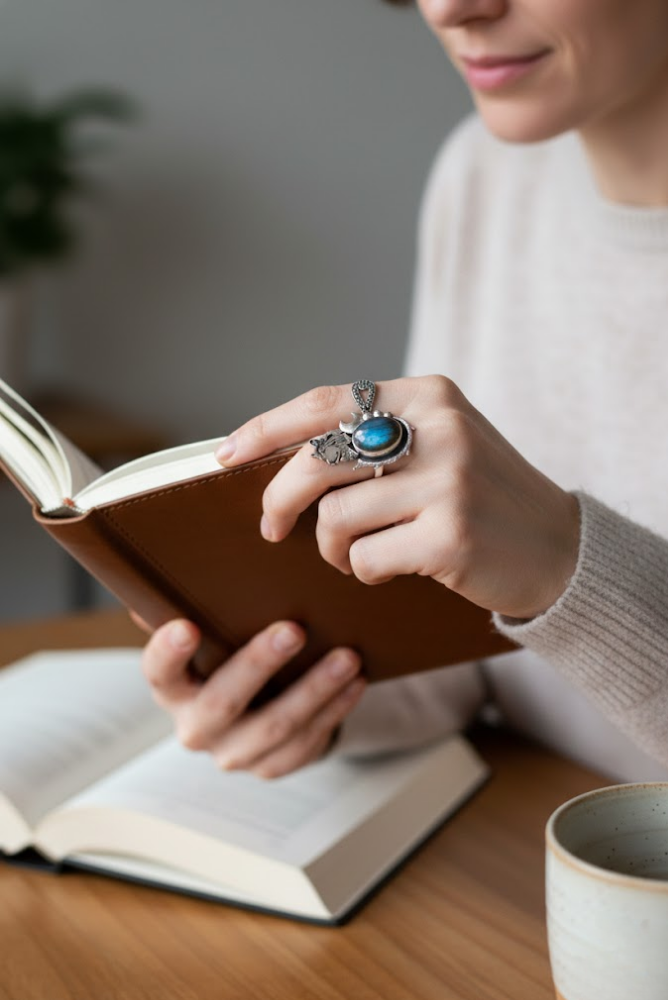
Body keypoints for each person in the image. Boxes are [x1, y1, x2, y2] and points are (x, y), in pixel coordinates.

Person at [139, 0, 668, 782]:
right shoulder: (488, 173)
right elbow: (486, 653)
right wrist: (303, 690)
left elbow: (538, 584)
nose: (452, 7)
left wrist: (565, 561)